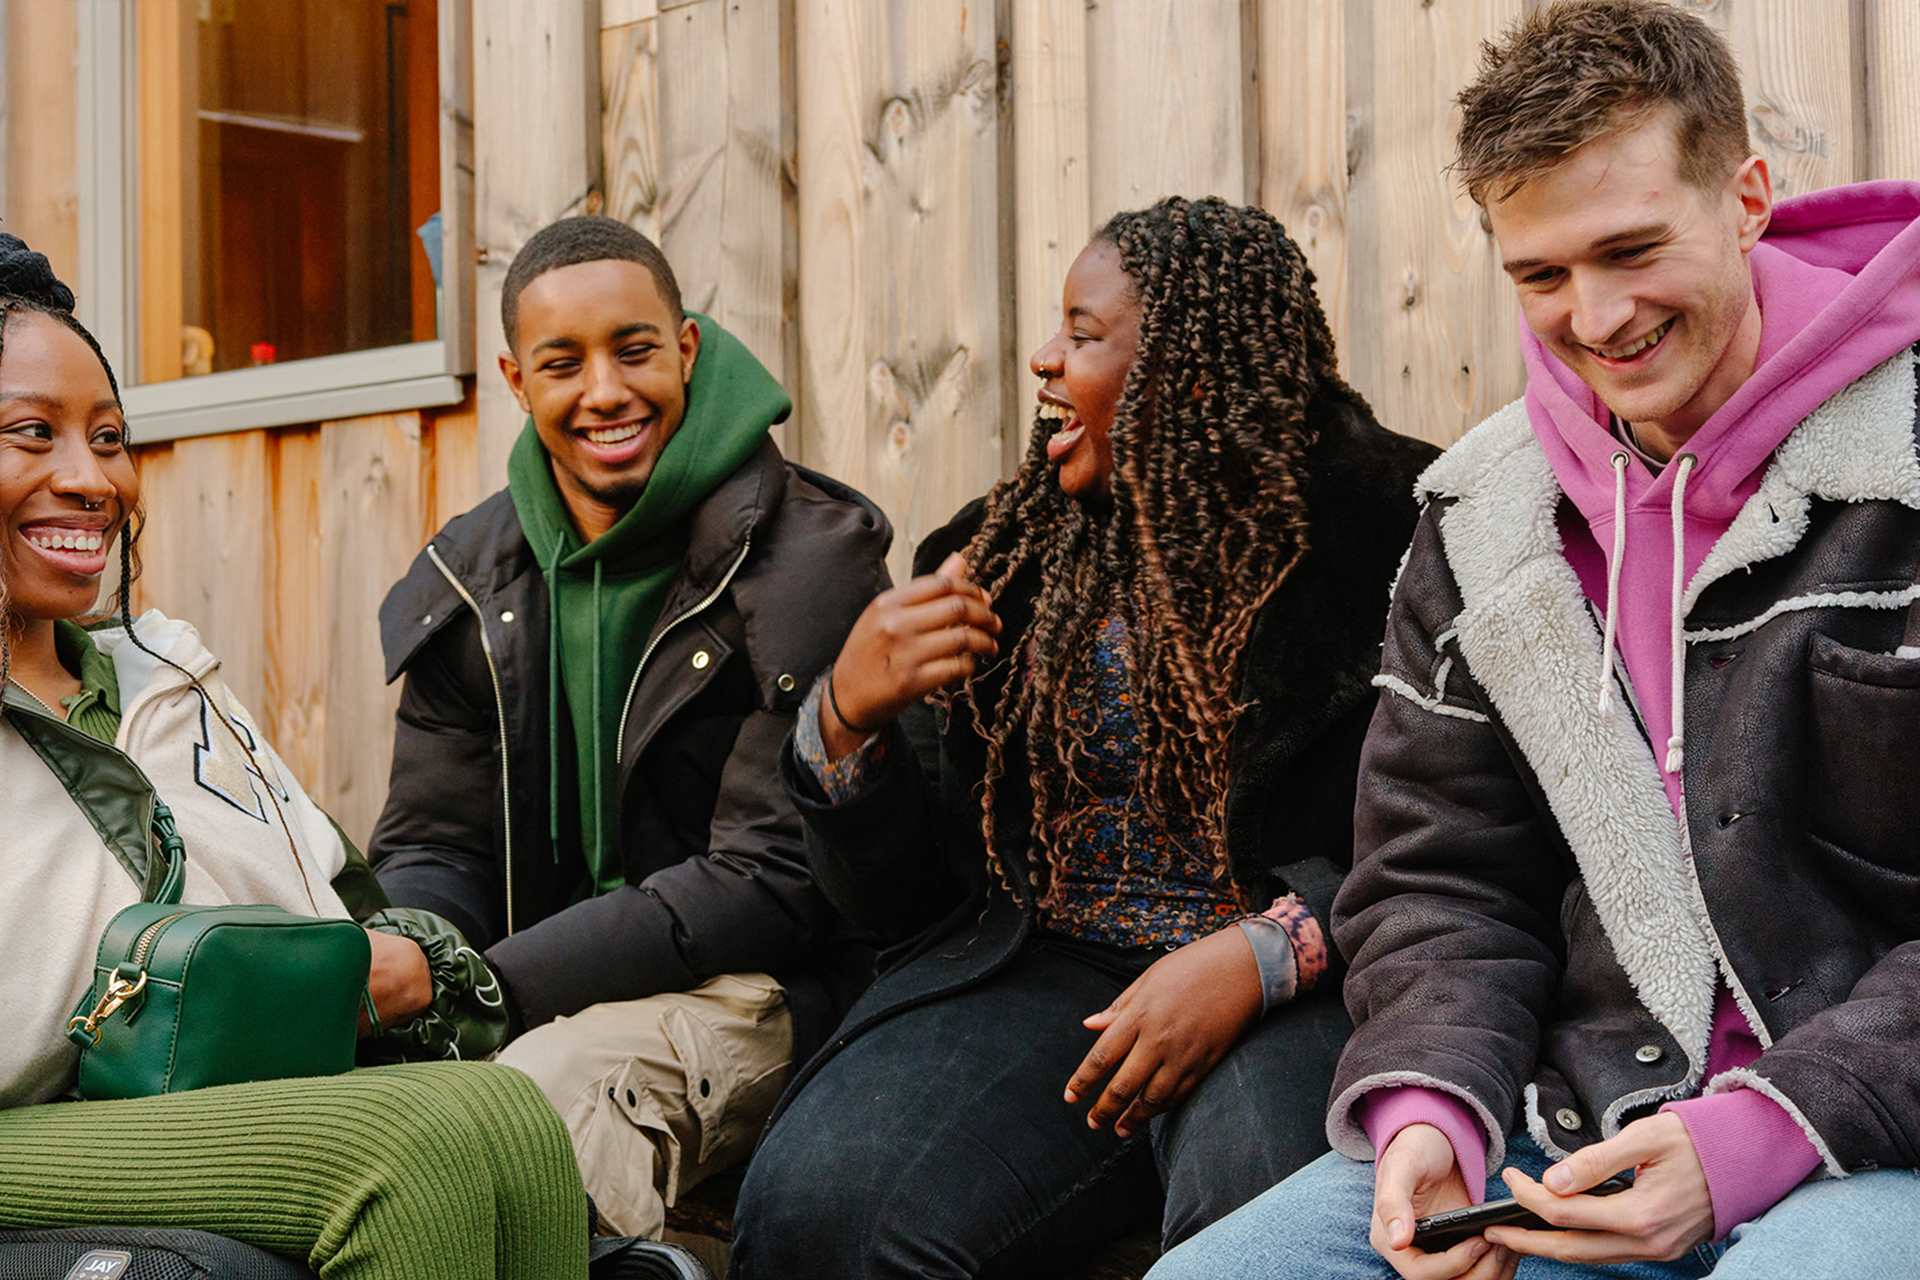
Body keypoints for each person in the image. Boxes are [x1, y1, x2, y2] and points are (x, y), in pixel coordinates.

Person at [1148, 4, 1920, 1279]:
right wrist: (1429, 1107)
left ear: (1748, 197)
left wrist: (1761, 1132)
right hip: (1582, 1128)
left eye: (1631, 248)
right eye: (1542, 274)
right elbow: (1440, 877)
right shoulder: (1484, 517)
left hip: (1879, 1135)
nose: (1597, 316)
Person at [729, 196, 1437, 1277]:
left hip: (1306, 980)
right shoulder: (996, 556)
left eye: (1085, 332)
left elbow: (1466, 830)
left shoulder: (1397, 535)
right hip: (1049, 968)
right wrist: (845, 721)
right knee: (823, 1207)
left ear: (1192, 369)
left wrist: (1267, 951)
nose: (1043, 360)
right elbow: (902, 905)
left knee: (1269, 1222)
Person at [0, 235, 590, 1278]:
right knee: (413, 1150)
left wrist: (388, 965)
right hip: (32, 1123)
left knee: (508, 1112)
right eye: (32, 434)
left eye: (110, 437)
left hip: (187, 1100)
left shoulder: (162, 674)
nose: (91, 479)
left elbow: (331, 908)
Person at [369, 215, 891, 1238]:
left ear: (686, 348)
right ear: (519, 383)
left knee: (528, 1109)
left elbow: (770, 880)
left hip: (765, 986)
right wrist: (408, 944)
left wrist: (475, 982)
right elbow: (437, 838)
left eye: (635, 349)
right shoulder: (474, 579)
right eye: (564, 363)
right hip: (530, 978)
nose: (605, 391)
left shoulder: (807, 559)